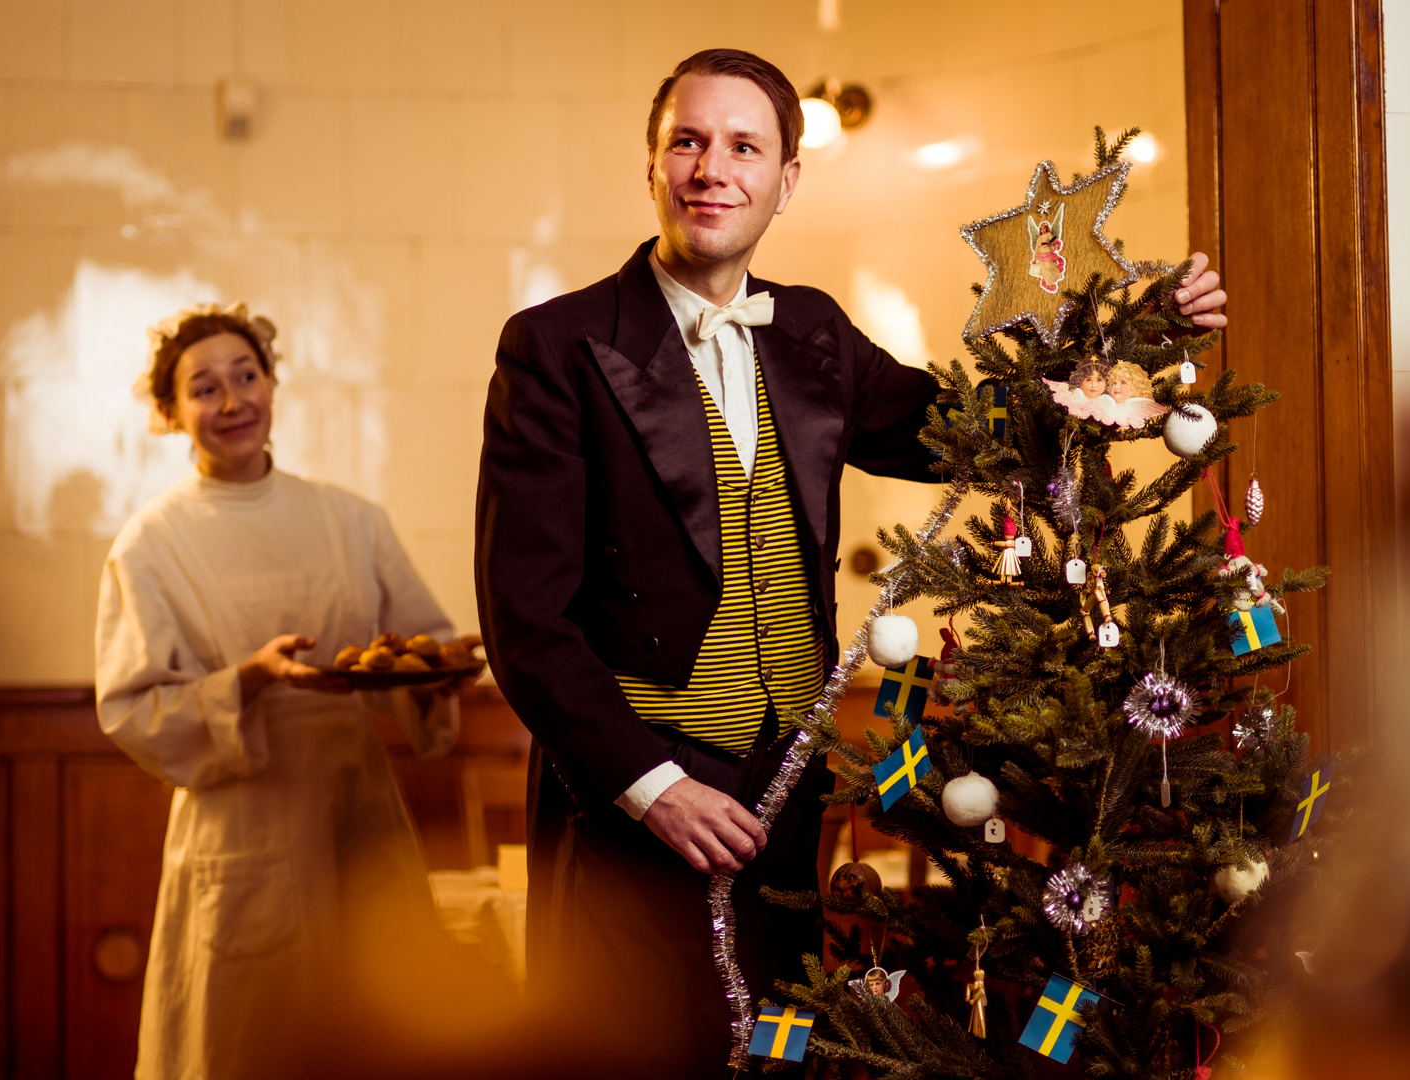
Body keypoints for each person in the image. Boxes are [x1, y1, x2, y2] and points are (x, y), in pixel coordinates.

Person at [475, 48, 1227, 1077]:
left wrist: (1140, 330)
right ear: (651, 166)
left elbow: (973, 430)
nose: (712, 168)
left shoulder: (815, 334)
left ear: (786, 180)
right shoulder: (555, 348)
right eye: (687, 142)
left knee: (780, 1056)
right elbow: (525, 620)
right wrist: (651, 787)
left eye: (745, 146)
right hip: (629, 803)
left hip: (785, 794)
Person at [94, 303, 464, 1080]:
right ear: (170, 412)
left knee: (378, 1039)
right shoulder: (151, 544)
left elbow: (414, 650)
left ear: (272, 384)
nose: (232, 402)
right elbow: (132, 709)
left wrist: (444, 674)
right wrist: (251, 677)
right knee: (245, 1047)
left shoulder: (350, 521)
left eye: (246, 376)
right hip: (240, 831)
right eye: (203, 388)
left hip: (356, 812)